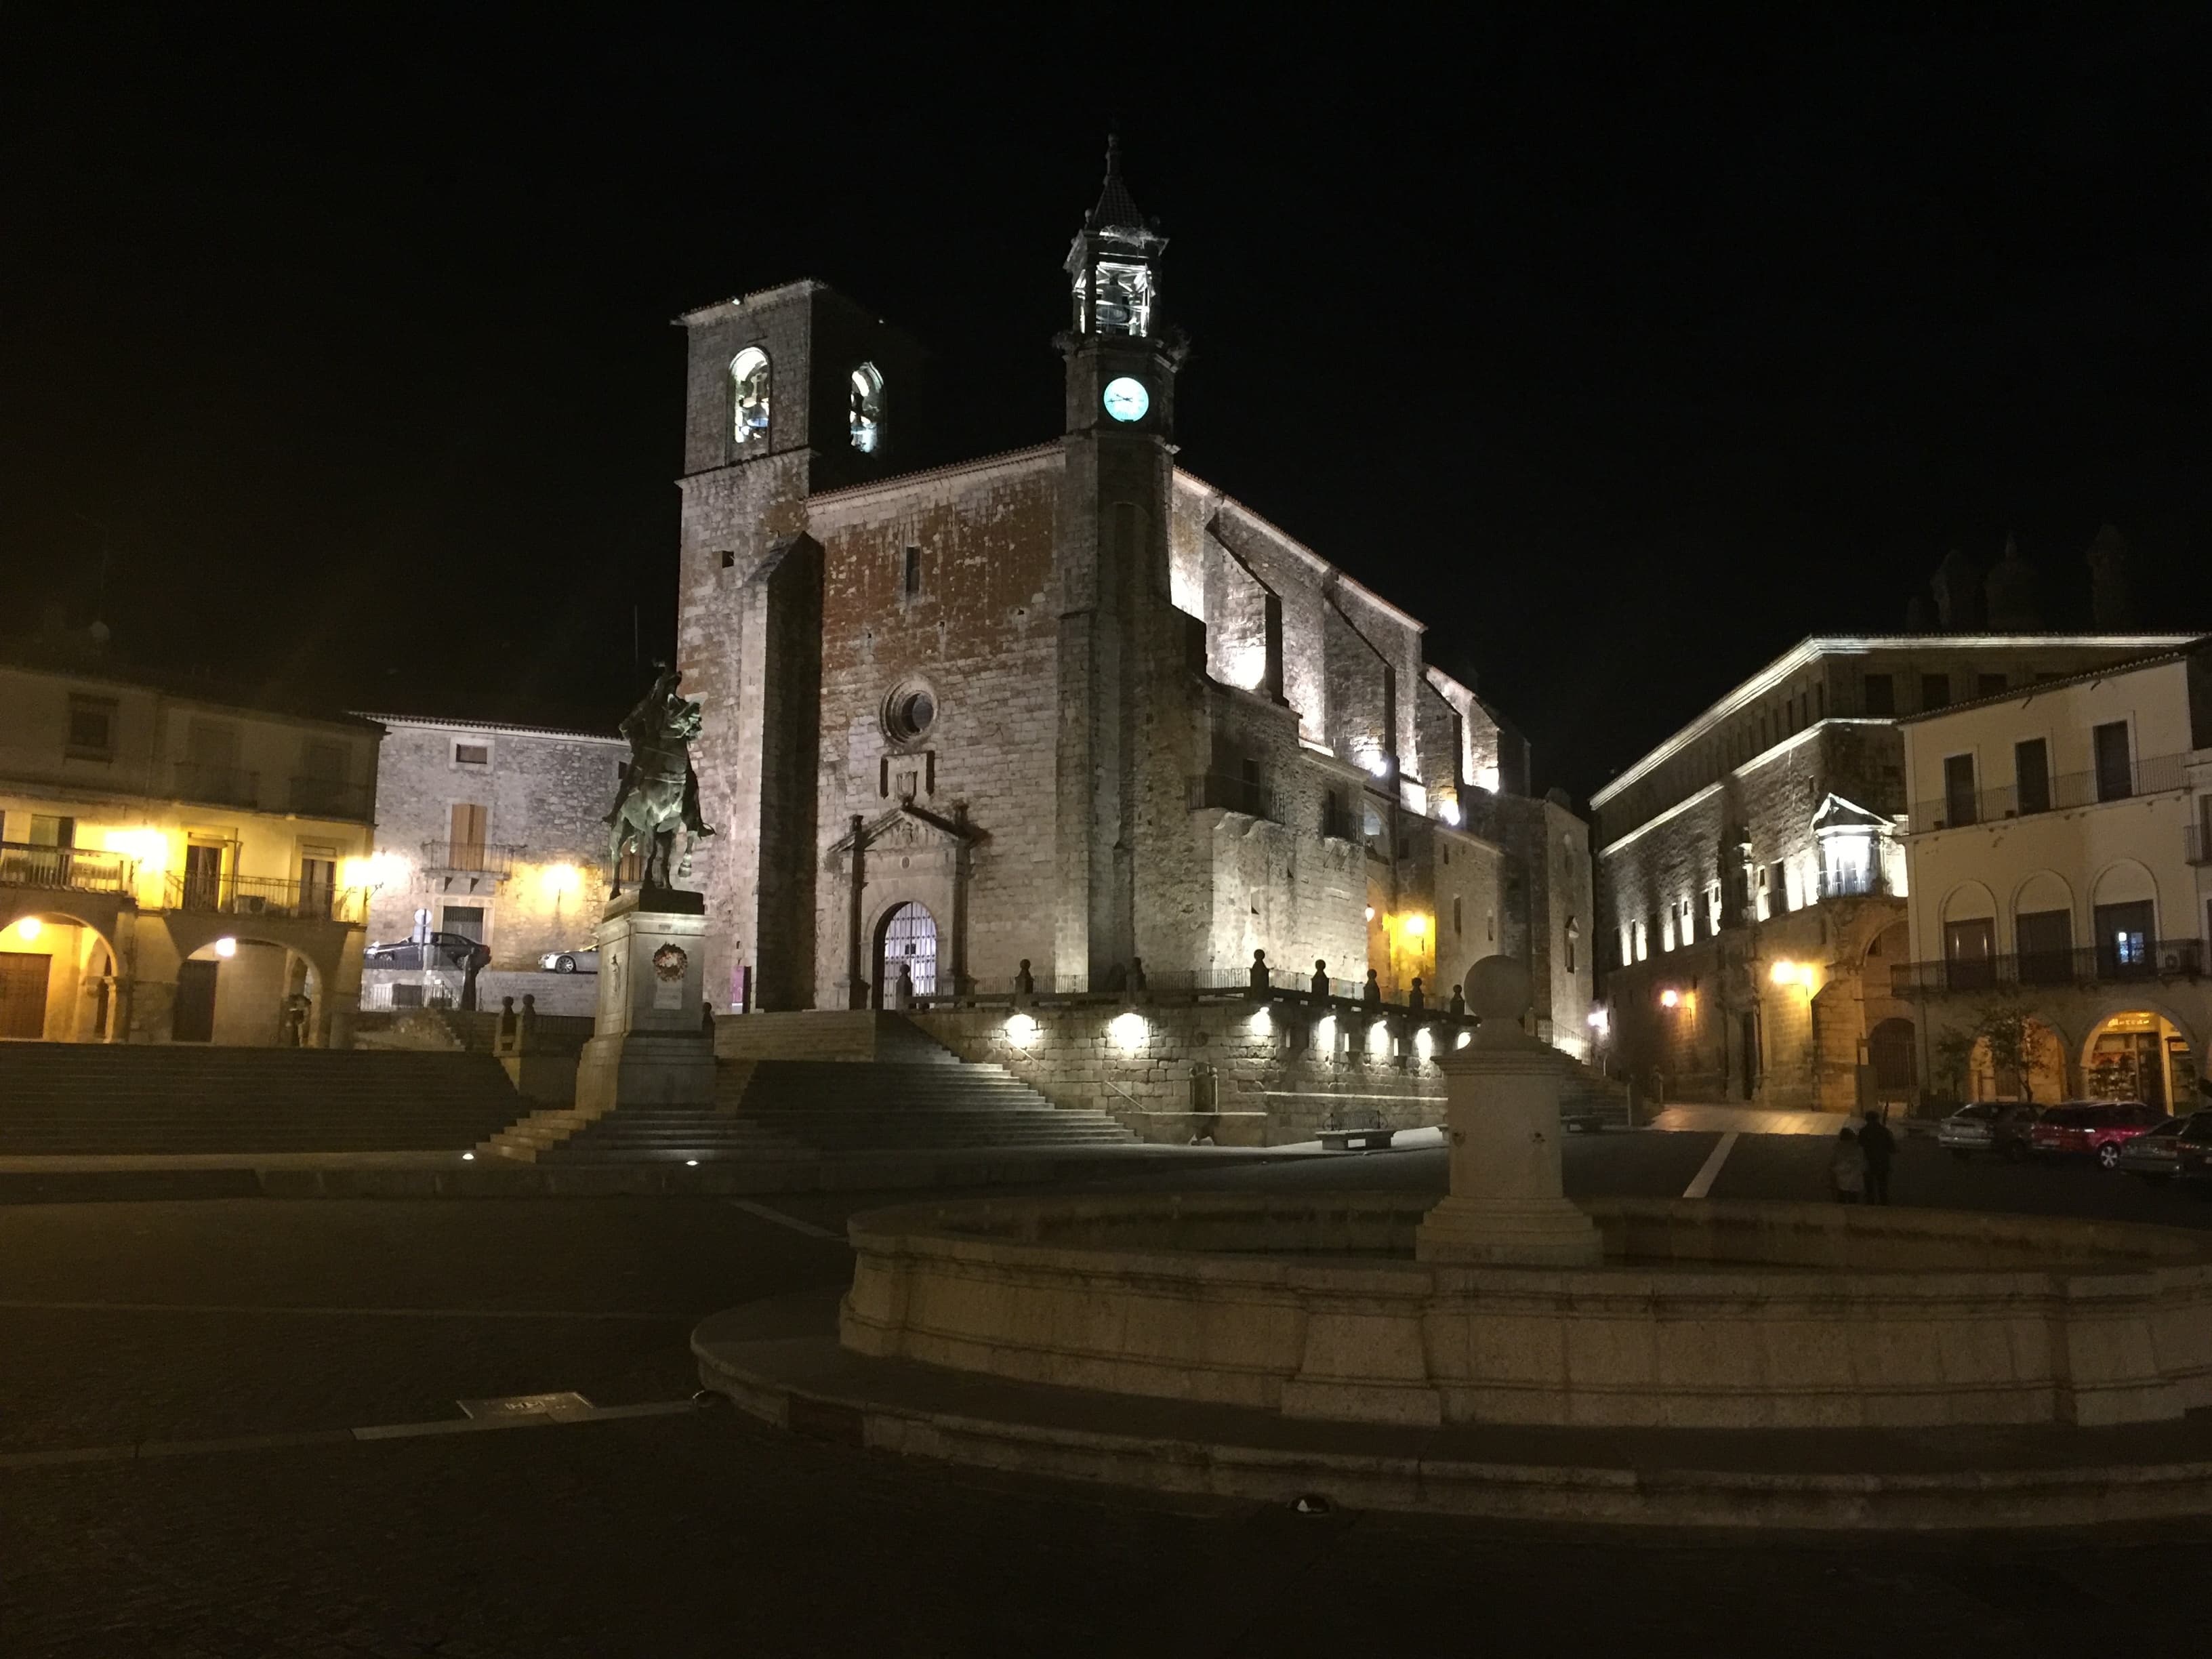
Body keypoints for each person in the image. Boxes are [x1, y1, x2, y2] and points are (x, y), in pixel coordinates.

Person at [1858, 1108, 1896, 1204]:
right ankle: (1883, 1205)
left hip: (1868, 1162)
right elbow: (1892, 1148)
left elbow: (1859, 1145)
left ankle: (1870, 1204)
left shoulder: (1863, 1131)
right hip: (1882, 1162)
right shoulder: (1884, 1131)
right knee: (1882, 1187)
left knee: (1869, 1188)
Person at [1830, 1125, 1866, 1204]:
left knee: (1842, 1195)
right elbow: (1862, 1161)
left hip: (1842, 1174)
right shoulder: (1858, 1148)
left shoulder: (1838, 1148)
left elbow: (1833, 1160)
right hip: (1855, 1175)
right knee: (1853, 1197)